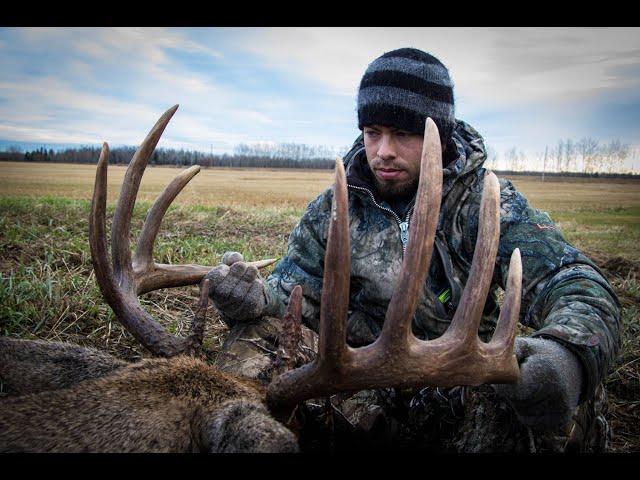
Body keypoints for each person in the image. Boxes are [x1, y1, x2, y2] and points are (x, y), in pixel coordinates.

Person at [205, 48, 621, 452]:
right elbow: (298, 295)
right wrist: (256, 299)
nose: (383, 150)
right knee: (255, 343)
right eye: (372, 133)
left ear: (437, 132)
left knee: (545, 397)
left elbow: (577, 286)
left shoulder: (486, 203)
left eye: (403, 133)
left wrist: (567, 356)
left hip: (456, 386)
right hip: (355, 386)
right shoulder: (334, 207)